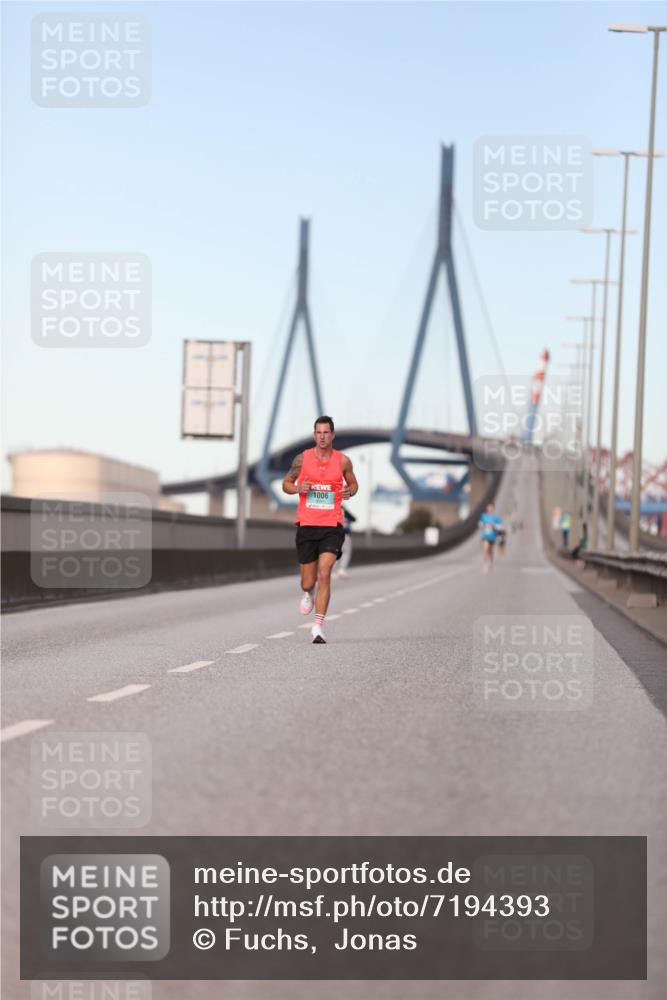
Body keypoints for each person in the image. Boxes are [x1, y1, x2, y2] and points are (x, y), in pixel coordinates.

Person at [282, 416, 358, 644]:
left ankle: (317, 627)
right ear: (314, 435)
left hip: (332, 526)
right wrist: (297, 488)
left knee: (324, 573)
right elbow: (285, 484)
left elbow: (353, 483)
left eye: (327, 432)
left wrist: (350, 492)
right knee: (308, 581)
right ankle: (308, 593)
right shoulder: (302, 459)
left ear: (332, 435)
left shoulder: (343, 461)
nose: (323, 436)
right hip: (306, 525)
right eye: (319, 432)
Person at [478, 501, 503, 574]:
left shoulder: (496, 517)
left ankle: (490, 563)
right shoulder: (483, 516)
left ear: (493, 508)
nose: (490, 508)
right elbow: (480, 524)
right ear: (487, 508)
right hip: (485, 536)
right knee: (485, 549)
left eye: (491, 507)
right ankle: (485, 565)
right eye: (489, 507)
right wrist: (483, 525)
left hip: (493, 536)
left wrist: (494, 526)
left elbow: (500, 527)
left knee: (490, 551)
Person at [334, 507, 356, 578]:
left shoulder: (331, 509)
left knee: (335, 553)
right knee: (346, 552)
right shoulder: (344, 510)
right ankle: (341, 569)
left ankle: (334, 571)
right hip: (344, 534)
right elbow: (353, 519)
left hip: (333, 535)